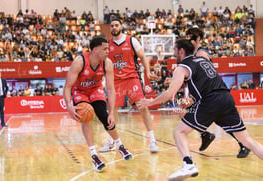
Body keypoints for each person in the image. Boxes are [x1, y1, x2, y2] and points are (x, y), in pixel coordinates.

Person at [137, 39, 263, 180]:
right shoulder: (203, 61)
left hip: (211, 101)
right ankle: (205, 137)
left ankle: (188, 164)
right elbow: (203, 82)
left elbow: (169, 94)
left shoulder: (182, 67)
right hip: (226, 98)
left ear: (181, 51)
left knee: (179, 131)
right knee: (247, 140)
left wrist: (150, 102)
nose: (173, 53)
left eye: (174, 50)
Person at [63, 37, 133, 172]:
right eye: (105, 49)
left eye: (108, 48)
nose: (108, 51)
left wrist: (112, 112)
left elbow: (111, 89)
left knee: (104, 115)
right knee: (86, 117)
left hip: (95, 89)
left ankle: (120, 145)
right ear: (95, 49)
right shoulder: (79, 62)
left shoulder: (107, 63)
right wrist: (69, 106)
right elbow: (67, 87)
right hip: (79, 91)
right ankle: (94, 154)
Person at [183, 27, 250, 158]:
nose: (188, 40)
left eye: (191, 38)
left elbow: (208, 77)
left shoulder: (201, 54)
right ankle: (206, 135)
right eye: (187, 37)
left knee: (225, 122)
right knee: (185, 111)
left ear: (198, 39)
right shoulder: (194, 55)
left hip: (211, 95)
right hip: (206, 94)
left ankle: (209, 135)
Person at [99, 19, 159, 153]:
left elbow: (143, 57)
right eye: (112, 26)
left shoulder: (132, 41)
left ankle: (152, 140)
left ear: (121, 27)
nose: (114, 28)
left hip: (132, 78)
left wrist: (148, 72)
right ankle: (111, 142)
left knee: (142, 107)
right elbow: (103, 64)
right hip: (116, 81)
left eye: (116, 25)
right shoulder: (107, 45)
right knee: (112, 112)